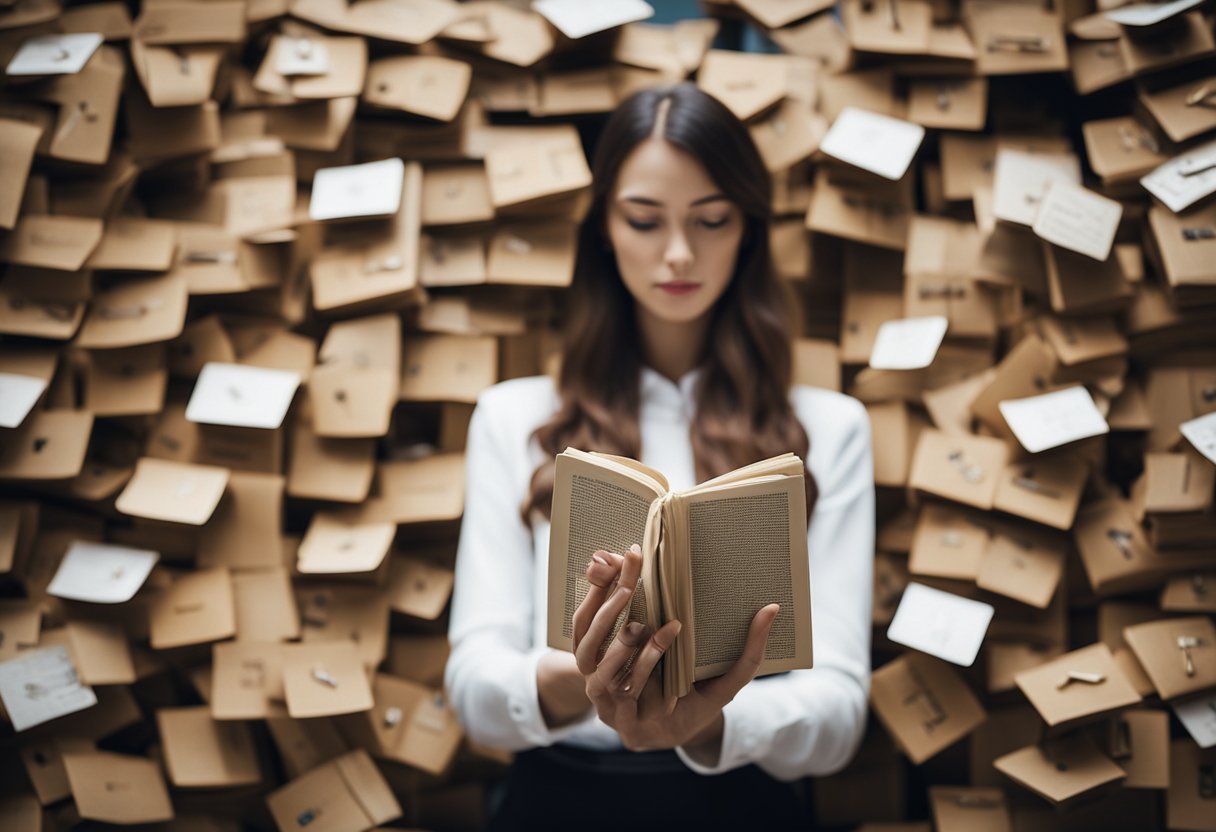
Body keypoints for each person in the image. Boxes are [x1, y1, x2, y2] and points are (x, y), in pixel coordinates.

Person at [445, 81, 874, 831]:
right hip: (558, 799)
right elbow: (474, 691)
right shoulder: (514, 418)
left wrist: (703, 724)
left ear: (748, 229)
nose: (679, 252)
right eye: (645, 220)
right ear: (605, 228)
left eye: (712, 220)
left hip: (742, 802)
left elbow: (838, 717)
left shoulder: (830, 429)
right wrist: (591, 679)